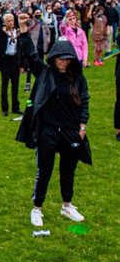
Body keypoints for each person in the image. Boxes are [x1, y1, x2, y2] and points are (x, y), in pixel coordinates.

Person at [16, 14, 91, 227]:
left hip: (70, 130)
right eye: (60, 58)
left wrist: (82, 125)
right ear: (54, 57)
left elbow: (84, 100)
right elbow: (31, 56)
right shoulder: (45, 73)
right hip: (48, 130)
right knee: (44, 171)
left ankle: (67, 205)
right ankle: (37, 208)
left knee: (68, 170)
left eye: (67, 59)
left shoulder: (77, 78)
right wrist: (23, 32)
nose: (63, 62)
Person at [0, 12, 23, 116]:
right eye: (8, 21)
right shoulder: (1, 32)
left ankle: (15, 107)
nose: (11, 22)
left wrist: (22, 64)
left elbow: (20, 48)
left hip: (15, 60)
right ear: (4, 22)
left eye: (12, 20)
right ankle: (4, 108)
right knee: (5, 85)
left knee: (15, 85)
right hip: (5, 60)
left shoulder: (17, 32)